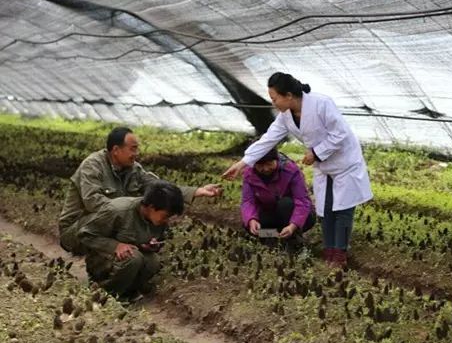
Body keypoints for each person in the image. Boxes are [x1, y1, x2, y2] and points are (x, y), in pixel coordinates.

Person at [223, 72, 373, 268]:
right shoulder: (285, 117)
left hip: (345, 163)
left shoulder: (322, 104)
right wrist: (242, 163)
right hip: (324, 166)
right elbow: (268, 139)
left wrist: (316, 153)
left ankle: (340, 253)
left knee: (342, 210)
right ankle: (329, 249)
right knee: (326, 210)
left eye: (274, 98)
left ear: (288, 95)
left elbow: (341, 134)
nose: (273, 103)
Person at [59, 126, 222, 255]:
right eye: (133, 149)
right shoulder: (92, 166)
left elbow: (158, 188)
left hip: (108, 221)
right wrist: (130, 224)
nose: (136, 154)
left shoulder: (133, 169)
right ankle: (103, 265)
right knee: (131, 217)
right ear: (116, 150)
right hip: (78, 228)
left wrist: (196, 191)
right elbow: (93, 203)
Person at [79, 180, 183, 299]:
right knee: (133, 258)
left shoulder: (157, 219)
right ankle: (104, 295)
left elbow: (154, 239)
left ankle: (127, 292)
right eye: (165, 216)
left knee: (153, 262)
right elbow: (85, 235)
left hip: (127, 257)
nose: (167, 221)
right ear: (151, 207)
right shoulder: (118, 210)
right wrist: (116, 246)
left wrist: (150, 246)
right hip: (101, 259)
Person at [241, 148, 315, 245]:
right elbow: (248, 201)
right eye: (260, 165)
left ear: (276, 160)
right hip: (271, 213)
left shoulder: (290, 170)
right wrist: (251, 220)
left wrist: (293, 225)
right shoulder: (249, 174)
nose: (266, 169)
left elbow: (302, 201)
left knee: (285, 204)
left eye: (269, 164)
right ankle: (275, 236)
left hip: (298, 215)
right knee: (248, 223)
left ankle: (294, 237)